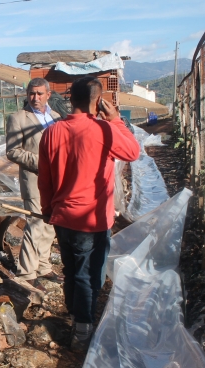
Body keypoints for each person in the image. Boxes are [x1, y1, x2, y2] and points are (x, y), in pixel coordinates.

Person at [37, 76, 140, 351]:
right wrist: (116, 120)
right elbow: (132, 152)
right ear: (98, 101)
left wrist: (48, 210)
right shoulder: (104, 130)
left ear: (70, 99)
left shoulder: (51, 132)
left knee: (72, 270)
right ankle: (83, 329)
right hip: (92, 219)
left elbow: (44, 180)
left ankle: (74, 314)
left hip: (62, 216)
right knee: (88, 275)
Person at [6, 78, 63, 287]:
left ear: (48, 94)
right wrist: (42, 163)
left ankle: (43, 266)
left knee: (50, 223)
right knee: (35, 222)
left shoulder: (56, 117)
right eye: (32, 93)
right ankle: (27, 273)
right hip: (34, 178)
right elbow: (12, 151)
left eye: (40, 94)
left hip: (56, 180)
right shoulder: (18, 118)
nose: (35, 98)